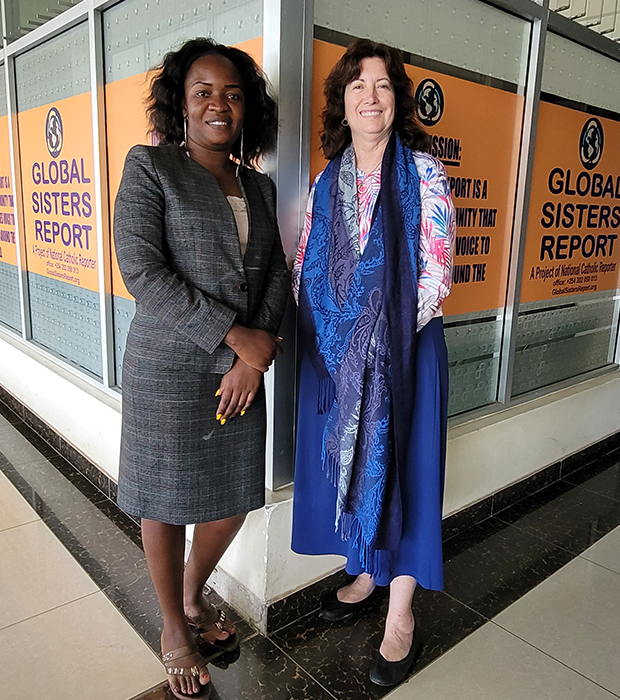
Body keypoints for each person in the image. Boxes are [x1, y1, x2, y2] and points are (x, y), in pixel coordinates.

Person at [113, 37, 288, 700]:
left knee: (235, 497)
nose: (220, 104)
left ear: (249, 110)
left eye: (234, 94)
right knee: (163, 500)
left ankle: (191, 593)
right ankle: (172, 628)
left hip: (243, 367)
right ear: (182, 104)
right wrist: (236, 336)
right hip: (169, 365)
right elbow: (143, 273)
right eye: (205, 92)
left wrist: (256, 350)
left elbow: (275, 271)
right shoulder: (152, 167)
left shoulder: (260, 186)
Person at [291, 38, 455, 687]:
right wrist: (339, 342)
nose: (370, 96)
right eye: (358, 85)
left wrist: (376, 342)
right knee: (353, 467)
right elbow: (307, 262)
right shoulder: (326, 180)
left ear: (397, 100)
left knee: (407, 477)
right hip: (337, 357)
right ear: (343, 100)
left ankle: (401, 616)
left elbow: (437, 271)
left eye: (383, 85)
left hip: (407, 354)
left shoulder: (424, 174)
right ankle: (364, 568)